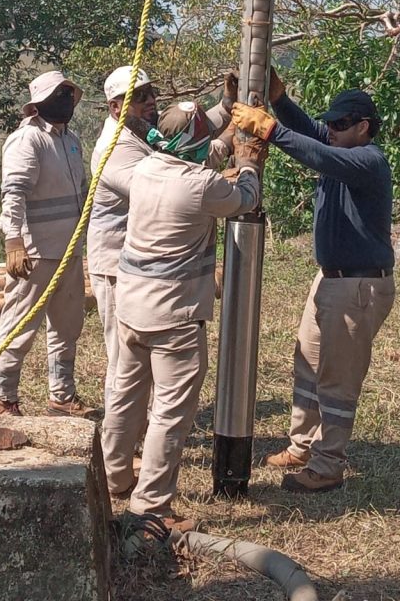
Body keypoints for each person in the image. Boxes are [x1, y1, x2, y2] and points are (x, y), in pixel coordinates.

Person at [102, 101, 263, 531]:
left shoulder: (145, 169)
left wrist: (226, 137)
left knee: (126, 396)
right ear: (193, 141)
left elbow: (199, 161)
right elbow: (246, 198)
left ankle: (114, 477)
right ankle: (151, 507)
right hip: (173, 316)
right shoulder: (202, 185)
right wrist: (248, 163)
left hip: (132, 307)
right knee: (169, 412)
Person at [231, 70, 395, 493]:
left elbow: (317, 153)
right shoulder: (343, 145)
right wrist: (280, 101)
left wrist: (270, 129)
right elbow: (312, 133)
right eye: (331, 123)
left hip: (357, 286)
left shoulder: (367, 160)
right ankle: (302, 446)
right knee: (307, 363)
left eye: (340, 124)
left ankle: (328, 464)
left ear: (364, 127)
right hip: (331, 279)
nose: (331, 129)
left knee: (337, 380)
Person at [87, 66, 236, 410]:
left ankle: (144, 427)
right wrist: (220, 169)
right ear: (115, 107)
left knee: (144, 364)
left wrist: (227, 105)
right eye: (139, 97)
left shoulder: (142, 132)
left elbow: (187, 134)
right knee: (125, 363)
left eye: (151, 92)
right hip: (117, 266)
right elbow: (170, 182)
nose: (150, 100)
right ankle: (127, 431)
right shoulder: (115, 148)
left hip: (146, 265)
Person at [0, 70, 89, 418]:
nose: (66, 100)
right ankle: (4, 397)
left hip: (68, 250)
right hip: (35, 252)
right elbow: (14, 193)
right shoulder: (27, 140)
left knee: (67, 327)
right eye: (58, 94)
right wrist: (14, 242)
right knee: (19, 325)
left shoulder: (71, 140)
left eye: (68, 93)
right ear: (39, 103)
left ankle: (62, 395)